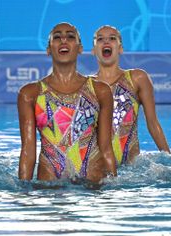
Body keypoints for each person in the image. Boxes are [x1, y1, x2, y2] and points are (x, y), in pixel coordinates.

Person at [17, 22, 116, 183]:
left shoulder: (100, 91)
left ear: (80, 48)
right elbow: (28, 151)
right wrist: (23, 191)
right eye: (57, 37)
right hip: (49, 187)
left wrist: (115, 190)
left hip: (93, 189)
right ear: (49, 49)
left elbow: (106, 148)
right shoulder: (30, 93)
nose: (63, 40)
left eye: (70, 37)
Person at [91, 25, 170, 165]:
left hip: (131, 167)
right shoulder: (87, 85)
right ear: (93, 50)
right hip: (98, 167)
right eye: (100, 39)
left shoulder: (137, 78)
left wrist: (169, 162)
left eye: (112, 38)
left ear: (120, 48)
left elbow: (152, 122)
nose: (106, 42)